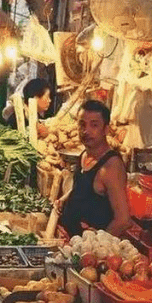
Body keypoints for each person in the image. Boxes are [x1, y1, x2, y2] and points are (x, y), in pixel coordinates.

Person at [58, 99, 131, 238]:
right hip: (71, 242)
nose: (86, 131)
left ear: (106, 129)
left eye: (94, 125)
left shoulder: (111, 167)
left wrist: (94, 244)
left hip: (87, 254)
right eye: (82, 124)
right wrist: (65, 199)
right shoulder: (84, 154)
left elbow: (123, 220)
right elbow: (85, 190)